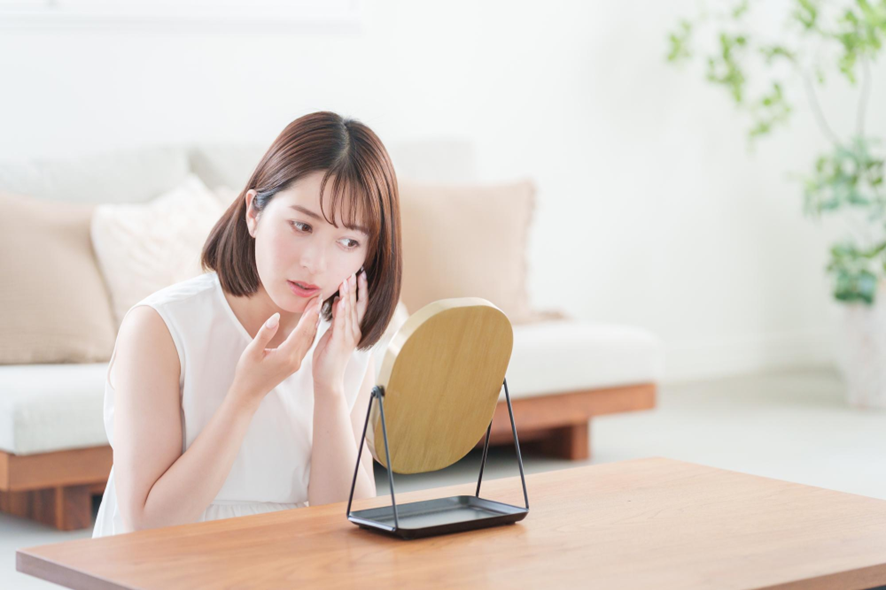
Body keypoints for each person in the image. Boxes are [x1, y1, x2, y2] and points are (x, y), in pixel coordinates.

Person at [93, 111, 403, 537]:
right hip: (172, 563)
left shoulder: (345, 344)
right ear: (254, 212)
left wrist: (329, 387)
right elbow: (148, 523)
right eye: (302, 225)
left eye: (348, 241)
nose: (315, 262)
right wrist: (246, 394)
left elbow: (349, 523)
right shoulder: (159, 328)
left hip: (288, 564)